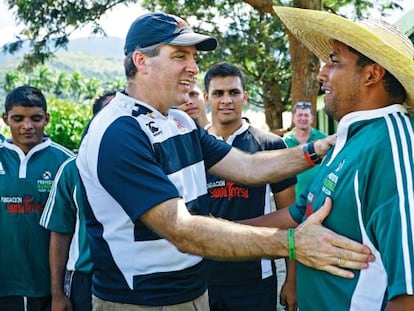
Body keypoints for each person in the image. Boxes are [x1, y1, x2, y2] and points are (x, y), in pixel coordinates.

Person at [76, 11, 374, 309]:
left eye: (194, 57)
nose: (193, 68)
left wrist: (323, 147)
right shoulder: (118, 132)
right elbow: (182, 230)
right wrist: (292, 243)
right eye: (180, 56)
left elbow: (248, 166)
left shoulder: (179, 121)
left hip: (194, 292)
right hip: (140, 302)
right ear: (141, 62)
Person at [273, 6, 414, 310]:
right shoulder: (350, 138)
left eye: (334, 61)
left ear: (372, 74)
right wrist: (212, 231)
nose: (322, 73)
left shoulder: (392, 142)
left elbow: (409, 293)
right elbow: (301, 214)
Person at [203, 62, 297, 310]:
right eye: (218, 93)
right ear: (206, 98)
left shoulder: (269, 144)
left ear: (245, 96)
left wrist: (292, 280)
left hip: (255, 278)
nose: (226, 100)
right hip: (203, 279)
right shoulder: (193, 146)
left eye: (233, 92)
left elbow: (292, 215)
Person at [39, 91, 115, 311]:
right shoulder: (73, 169)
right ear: (96, 122)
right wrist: (58, 293)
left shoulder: (145, 166)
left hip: (132, 276)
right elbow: (60, 232)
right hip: (85, 276)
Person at [0, 85, 74, 311]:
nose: (27, 126)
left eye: (36, 118)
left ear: (47, 119)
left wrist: (59, 292)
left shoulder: (65, 163)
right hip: (4, 285)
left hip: (48, 288)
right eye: (18, 118)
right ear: (5, 119)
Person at [284, 101, 327, 201]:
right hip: (292, 201)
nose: (303, 118)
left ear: (312, 118)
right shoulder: (284, 142)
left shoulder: (323, 139)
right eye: (299, 115)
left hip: (317, 200)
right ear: (293, 118)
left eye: (306, 115)